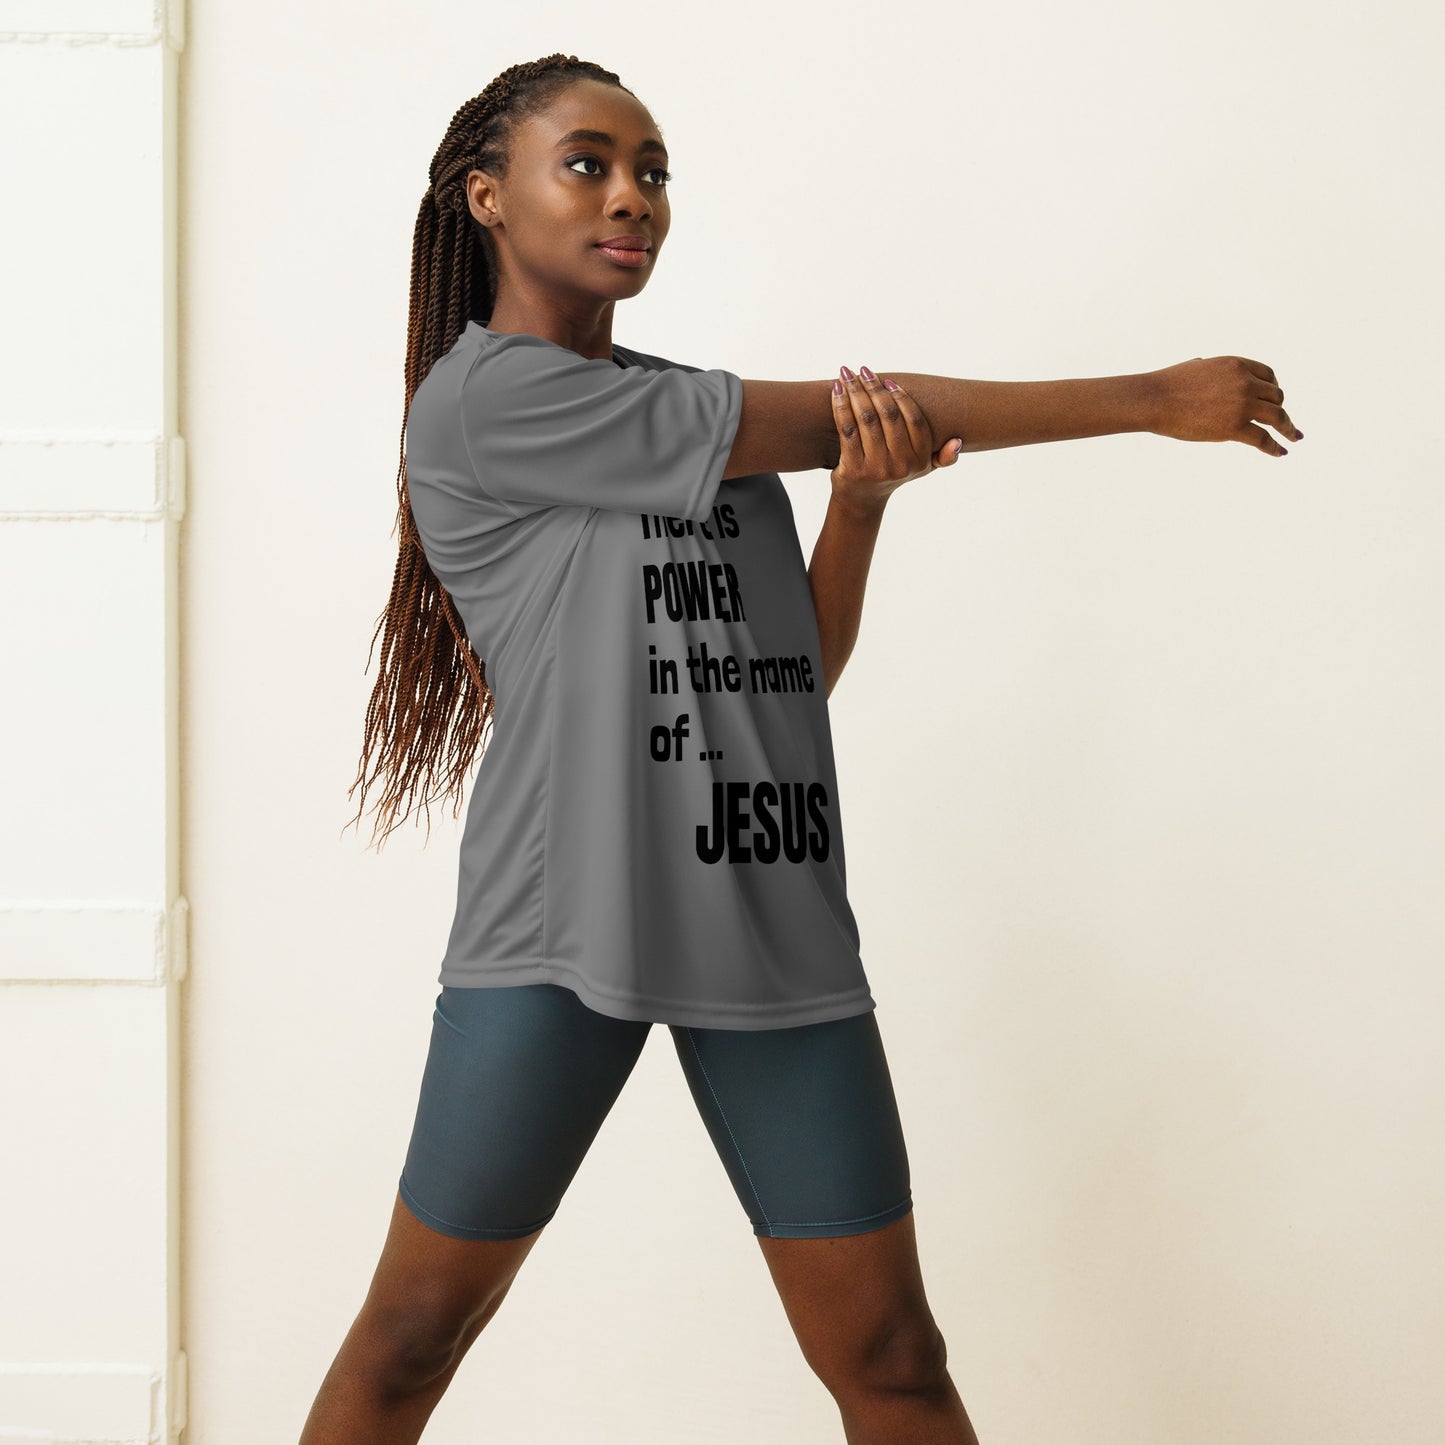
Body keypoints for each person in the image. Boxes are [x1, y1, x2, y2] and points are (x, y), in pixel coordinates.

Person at [302, 53, 1302, 1445]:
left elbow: (786, 670)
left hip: (768, 920)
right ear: (486, 197)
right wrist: (1146, 396)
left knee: (892, 1352)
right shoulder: (486, 403)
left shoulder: (697, 413)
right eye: (586, 162)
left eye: (651, 171)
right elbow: (847, 408)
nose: (631, 196)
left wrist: (863, 508)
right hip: (559, 932)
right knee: (411, 1337)